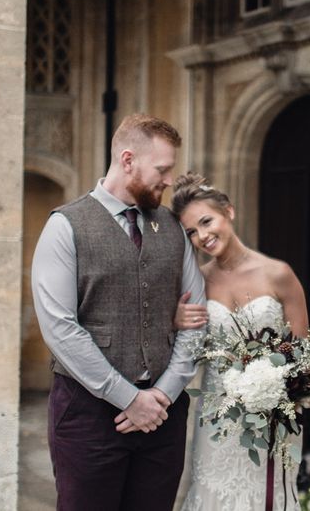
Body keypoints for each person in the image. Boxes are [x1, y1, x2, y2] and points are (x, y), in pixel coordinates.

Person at [31, 113, 206, 511]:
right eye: (161, 169)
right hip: (88, 416)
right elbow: (60, 329)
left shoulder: (173, 228)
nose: (167, 180)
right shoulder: (65, 226)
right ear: (128, 160)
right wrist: (128, 398)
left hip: (164, 416)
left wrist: (162, 394)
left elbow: (194, 316)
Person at [171, 172, 309, 511]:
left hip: (273, 419)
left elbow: (305, 354)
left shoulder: (278, 273)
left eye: (206, 221)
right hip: (216, 418)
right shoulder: (195, 283)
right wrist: (175, 322)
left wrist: (279, 390)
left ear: (228, 212)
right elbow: (185, 352)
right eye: (191, 232)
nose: (202, 236)